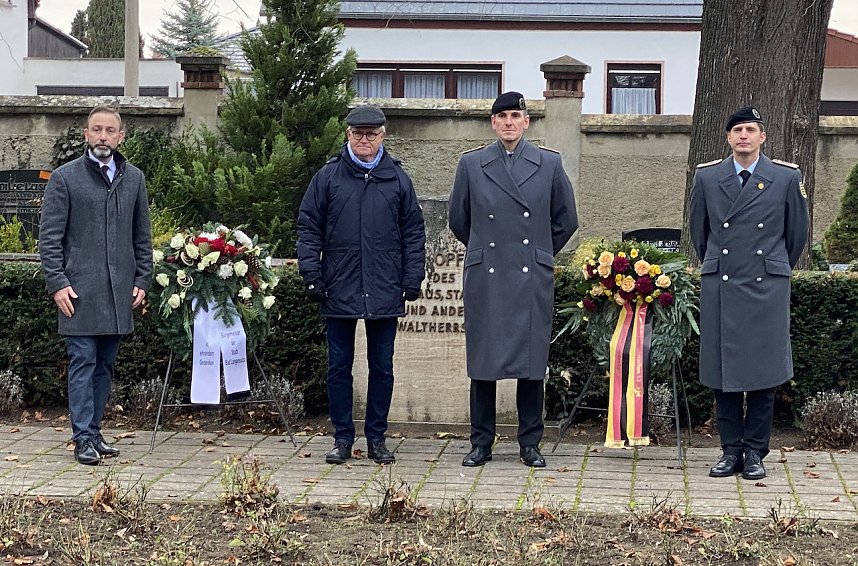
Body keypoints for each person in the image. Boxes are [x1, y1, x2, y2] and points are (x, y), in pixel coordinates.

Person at [448, 91, 578, 468]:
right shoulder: (471, 164)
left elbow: (566, 218)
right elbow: (460, 219)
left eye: (515, 115)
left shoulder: (548, 164)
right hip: (487, 274)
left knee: (531, 362)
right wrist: (489, 251)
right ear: (492, 122)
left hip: (530, 273)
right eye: (501, 116)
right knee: (484, 361)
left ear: (526, 122)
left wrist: (537, 250)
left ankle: (530, 443)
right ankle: (481, 442)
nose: (508, 122)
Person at [297, 105, 426, 466]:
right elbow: (308, 227)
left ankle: (377, 439)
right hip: (338, 286)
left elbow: (414, 233)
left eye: (371, 134)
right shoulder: (328, 177)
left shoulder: (398, 179)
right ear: (347, 135)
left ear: (383, 136)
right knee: (339, 366)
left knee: (381, 367)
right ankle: (341, 438)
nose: (364, 140)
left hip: (385, 287)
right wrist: (312, 274)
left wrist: (412, 277)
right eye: (358, 134)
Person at [689, 106, 809, 480]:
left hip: (765, 285)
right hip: (723, 283)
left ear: (762, 137)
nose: (743, 135)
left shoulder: (785, 178)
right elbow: (699, 232)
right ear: (728, 138)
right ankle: (730, 451)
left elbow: (796, 235)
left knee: (763, 371)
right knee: (722, 372)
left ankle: (756, 452)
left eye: (750, 129)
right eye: (737, 129)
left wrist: (770, 267)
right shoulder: (708, 178)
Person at [39, 106, 152, 466]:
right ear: (86, 134)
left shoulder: (134, 179)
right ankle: (82, 437)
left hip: (118, 292)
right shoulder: (64, 178)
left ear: (121, 137)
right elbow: (50, 238)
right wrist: (57, 283)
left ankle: (94, 431)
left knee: (104, 365)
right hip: (79, 293)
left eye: (110, 131)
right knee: (83, 362)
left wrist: (142, 280)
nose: (103, 136)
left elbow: (142, 236)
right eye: (96, 129)